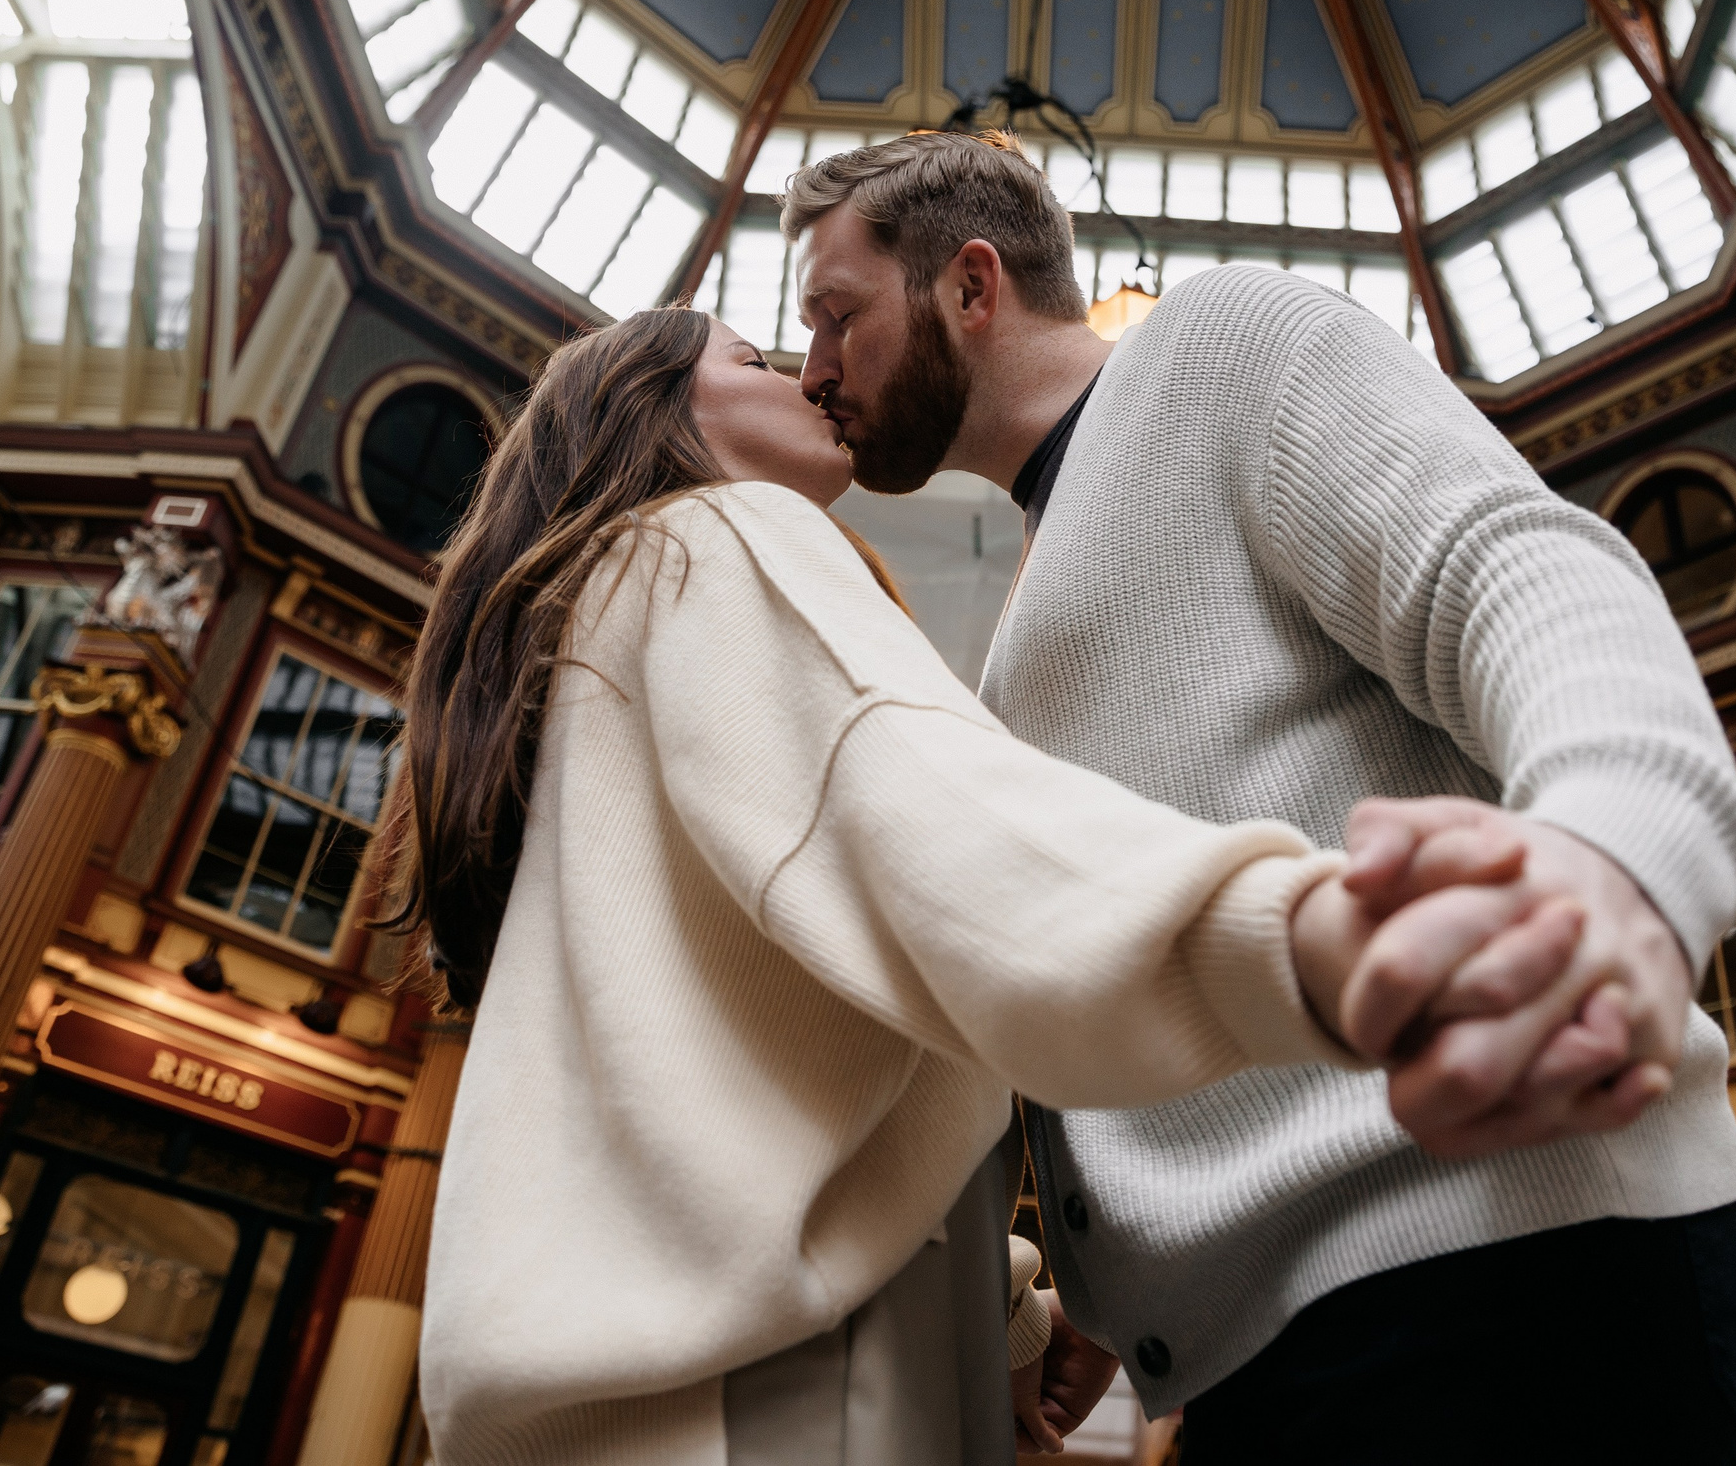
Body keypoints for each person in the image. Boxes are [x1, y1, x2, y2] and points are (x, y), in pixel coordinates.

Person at [385, 309, 1576, 1466]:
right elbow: (950, 847)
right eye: (757, 356)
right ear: (653, 407)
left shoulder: (596, 629)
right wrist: (1324, 937)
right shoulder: (723, 534)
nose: (809, 377)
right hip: (772, 1407)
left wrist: (1011, 1316)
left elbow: (751, 1070)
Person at [784, 132, 1736, 1462]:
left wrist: (1614, 870)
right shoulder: (1026, 610)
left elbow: (1519, 574)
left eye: (836, 315)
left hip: (1497, 1256)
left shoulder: (1220, 340)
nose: (811, 370)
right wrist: (1112, 1275)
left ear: (970, 287)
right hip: (1265, 1352)